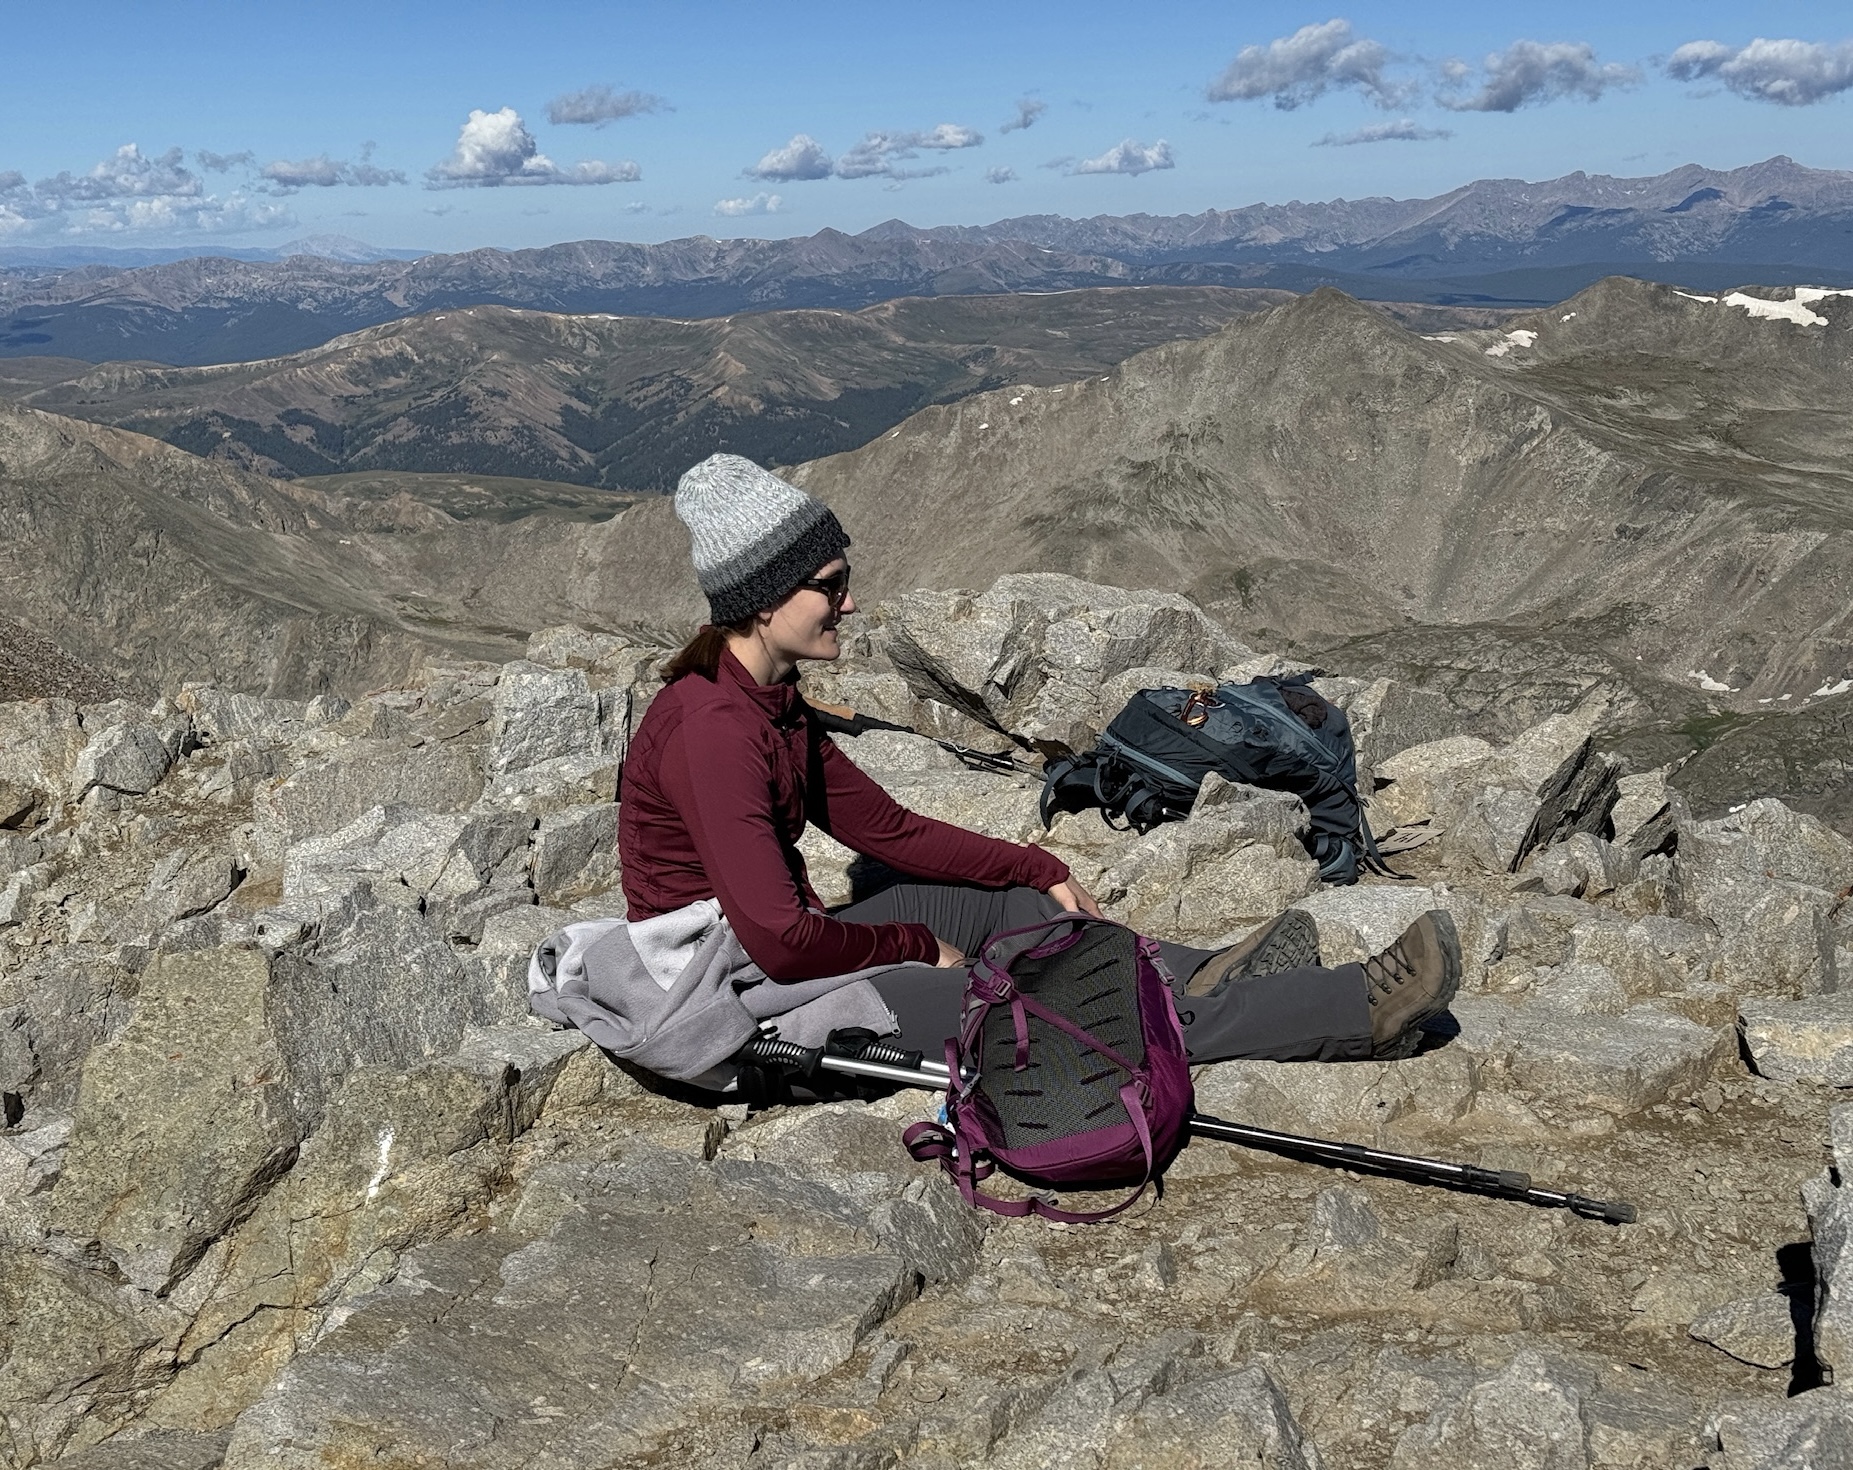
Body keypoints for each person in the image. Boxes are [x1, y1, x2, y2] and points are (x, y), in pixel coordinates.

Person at [616, 453, 1460, 1072]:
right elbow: (782, 942)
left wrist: (1036, 864)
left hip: (772, 950)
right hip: (743, 1000)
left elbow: (886, 830)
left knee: (1017, 905)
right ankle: (1351, 1008)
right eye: (831, 585)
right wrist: (917, 945)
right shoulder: (714, 732)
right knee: (1061, 1012)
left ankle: (1197, 974)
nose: (850, 601)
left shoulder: (766, 702)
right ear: (765, 598)